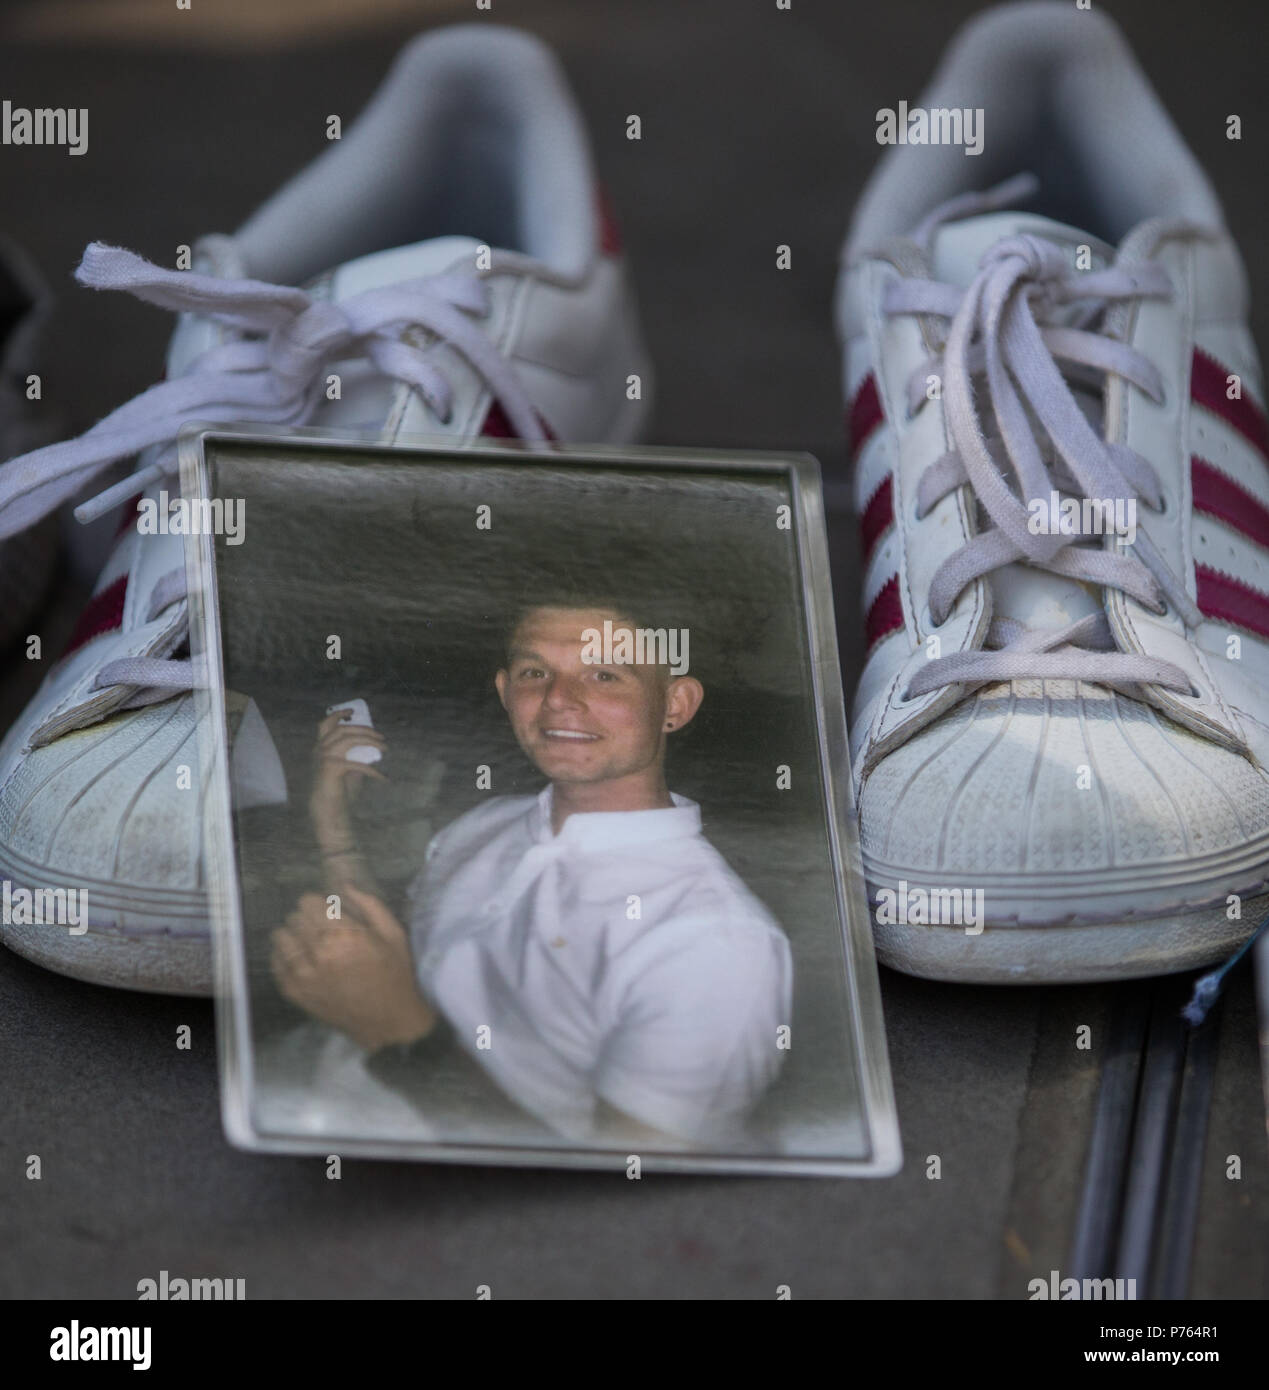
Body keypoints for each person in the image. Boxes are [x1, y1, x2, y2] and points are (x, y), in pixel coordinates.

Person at [271, 600, 793, 1147]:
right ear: (504, 692)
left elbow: (619, 1190)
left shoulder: (717, 943)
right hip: (301, 1095)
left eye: (605, 674)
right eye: (535, 673)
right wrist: (330, 820)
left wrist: (400, 1035)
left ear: (675, 704)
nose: (559, 699)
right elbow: (379, 959)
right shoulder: (485, 824)